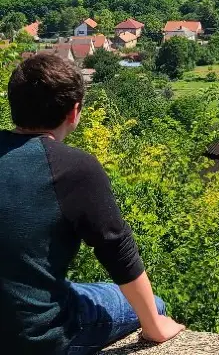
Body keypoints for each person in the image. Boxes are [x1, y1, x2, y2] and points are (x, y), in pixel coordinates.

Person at [0, 53, 184, 354]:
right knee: (156, 305)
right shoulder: (73, 168)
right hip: (37, 338)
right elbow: (117, 248)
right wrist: (154, 326)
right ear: (74, 112)